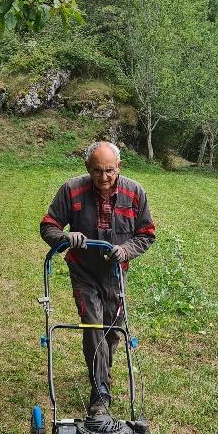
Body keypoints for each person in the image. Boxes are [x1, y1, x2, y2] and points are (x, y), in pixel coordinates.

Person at [40, 140, 156, 414]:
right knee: (93, 326)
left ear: (119, 167)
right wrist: (65, 237)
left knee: (113, 331)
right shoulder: (72, 190)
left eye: (110, 171)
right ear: (87, 168)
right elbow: (48, 225)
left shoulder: (135, 192)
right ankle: (100, 392)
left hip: (116, 272)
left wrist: (126, 249)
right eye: (96, 171)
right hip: (84, 271)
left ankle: (101, 368)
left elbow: (147, 233)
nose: (103, 178)